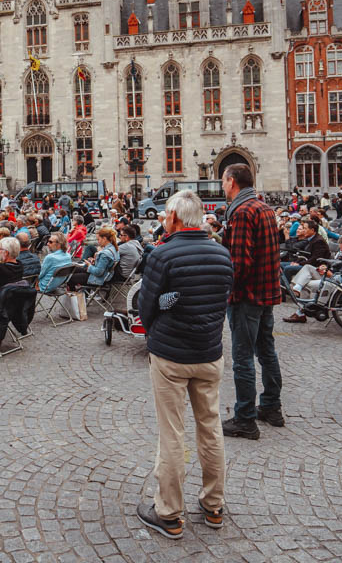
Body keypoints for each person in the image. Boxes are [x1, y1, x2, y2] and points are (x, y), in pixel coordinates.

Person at [134, 190, 232, 538]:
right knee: (210, 427)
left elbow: (146, 308)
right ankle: (214, 504)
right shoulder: (222, 255)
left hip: (172, 356)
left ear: (174, 216)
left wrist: (162, 315)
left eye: (164, 214)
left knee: (172, 433)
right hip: (208, 354)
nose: (162, 219)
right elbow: (222, 301)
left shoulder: (163, 255)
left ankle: (170, 513)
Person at [220, 164, 283, 440]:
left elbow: (240, 263)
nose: (222, 185)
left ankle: (245, 418)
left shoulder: (243, 212)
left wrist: (229, 292)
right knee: (266, 351)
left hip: (247, 296)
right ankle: (271, 406)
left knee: (243, 357)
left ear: (231, 181)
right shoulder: (263, 207)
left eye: (223, 181)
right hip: (266, 291)